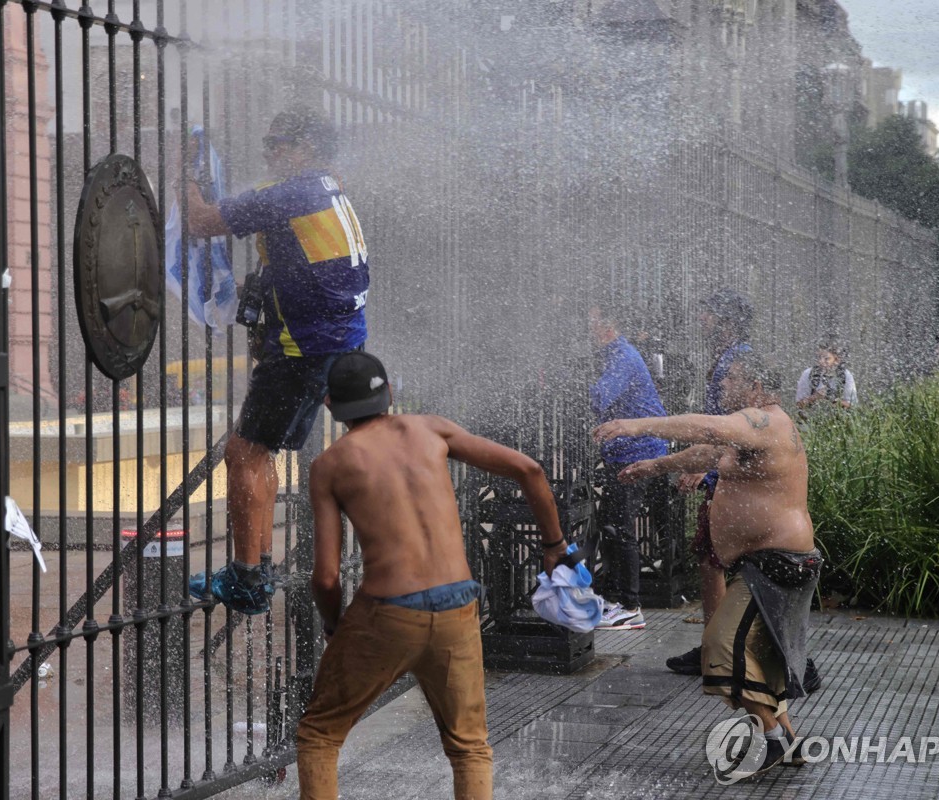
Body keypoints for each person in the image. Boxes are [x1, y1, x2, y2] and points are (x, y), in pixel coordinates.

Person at [297, 352, 568, 800]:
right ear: (390, 394)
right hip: (457, 607)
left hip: (386, 612)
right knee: (469, 747)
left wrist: (335, 626)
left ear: (329, 404)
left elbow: (325, 577)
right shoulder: (431, 429)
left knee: (319, 736)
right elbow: (530, 470)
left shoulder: (330, 465)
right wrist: (554, 546)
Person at [593, 352, 822, 775]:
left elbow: (708, 427)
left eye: (731, 379)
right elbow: (708, 451)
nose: (723, 385)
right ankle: (787, 741)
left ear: (754, 386)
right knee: (760, 657)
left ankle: (773, 741)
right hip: (765, 562)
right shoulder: (756, 428)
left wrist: (636, 425)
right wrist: (655, 466)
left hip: (777, 563)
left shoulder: (764, 421)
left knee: (720, 648)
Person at [185, 105, 370, 614]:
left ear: (306, 149)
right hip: (334, 341)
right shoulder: (328, 186)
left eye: (278, 143)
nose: (269, 151)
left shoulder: (289, 193)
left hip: (302, 348)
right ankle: (257, 569)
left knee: (243, 454)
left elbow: (201, 221)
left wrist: (181, 173)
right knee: (257, 451)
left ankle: (247, 580)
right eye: (268, 142)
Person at [662, 289, 749, 675]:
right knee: (720, 559)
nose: (701, 321)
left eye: (707, 314)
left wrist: (708, 469)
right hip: (731, 472)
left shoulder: (733, 361)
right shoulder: (738, 357)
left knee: (711, 559)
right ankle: (723, 647)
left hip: (728, 477)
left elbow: (731, 426)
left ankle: (714, 653)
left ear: (726, 322)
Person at [588, 305, 669, 630]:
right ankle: (613, 598)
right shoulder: (614, 355)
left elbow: (599, 397)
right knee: (611, 524)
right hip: (625, 452)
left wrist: (562, 391)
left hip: (637, 452)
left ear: (609, 328)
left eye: (593, 325)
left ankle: (630, 605)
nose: (588, 332)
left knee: (621, 527)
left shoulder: (623, 356)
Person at [795, 339, 857, 411]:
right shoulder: (809, 374)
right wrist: (814, 397)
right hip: (812, 417)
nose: (821, 361)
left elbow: (853, 407)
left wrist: (836, 402)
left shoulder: (845, 375)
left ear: (836, 360)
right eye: (819, 357)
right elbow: (799, 405)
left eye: (826, 359)